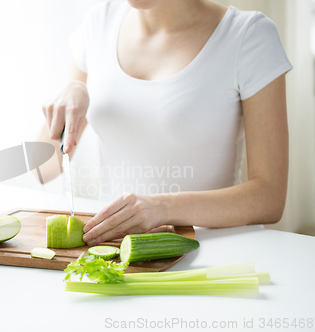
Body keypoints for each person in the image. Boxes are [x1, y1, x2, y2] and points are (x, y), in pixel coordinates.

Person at [37, 0, 292, 246]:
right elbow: (44, 169)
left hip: (209, 249)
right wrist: (69, 96)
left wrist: (162, 209)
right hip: (113, 249)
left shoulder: (249, 35)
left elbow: (269, 198)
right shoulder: (99, 22)